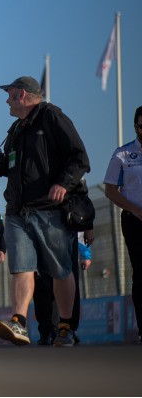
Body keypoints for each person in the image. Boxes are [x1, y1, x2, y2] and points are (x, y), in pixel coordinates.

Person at [0, 76, 90, 347]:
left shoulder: (52, 117)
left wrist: (62, 183)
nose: (6, 100)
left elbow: (79, 157)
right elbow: (9, 165)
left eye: (9, 94)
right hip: (18, 211)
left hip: (49, 210)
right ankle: (19, 323)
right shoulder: (16, 128)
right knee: (21, 268)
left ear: (22, 95)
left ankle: (66, 328)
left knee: (60, 269)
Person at [103, 105, 142, 345]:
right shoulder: (123, 154)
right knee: (141, 273)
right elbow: (109, 190)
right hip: (135, 221)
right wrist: (135, 209)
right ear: (136, 126)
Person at [34, 232, 92, 345]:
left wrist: (85, 253)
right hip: (41, 238)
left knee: (69, 284)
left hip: (66, 241)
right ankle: (46, 331)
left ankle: (68, 329)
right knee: (42, 284)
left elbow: (80, 224)